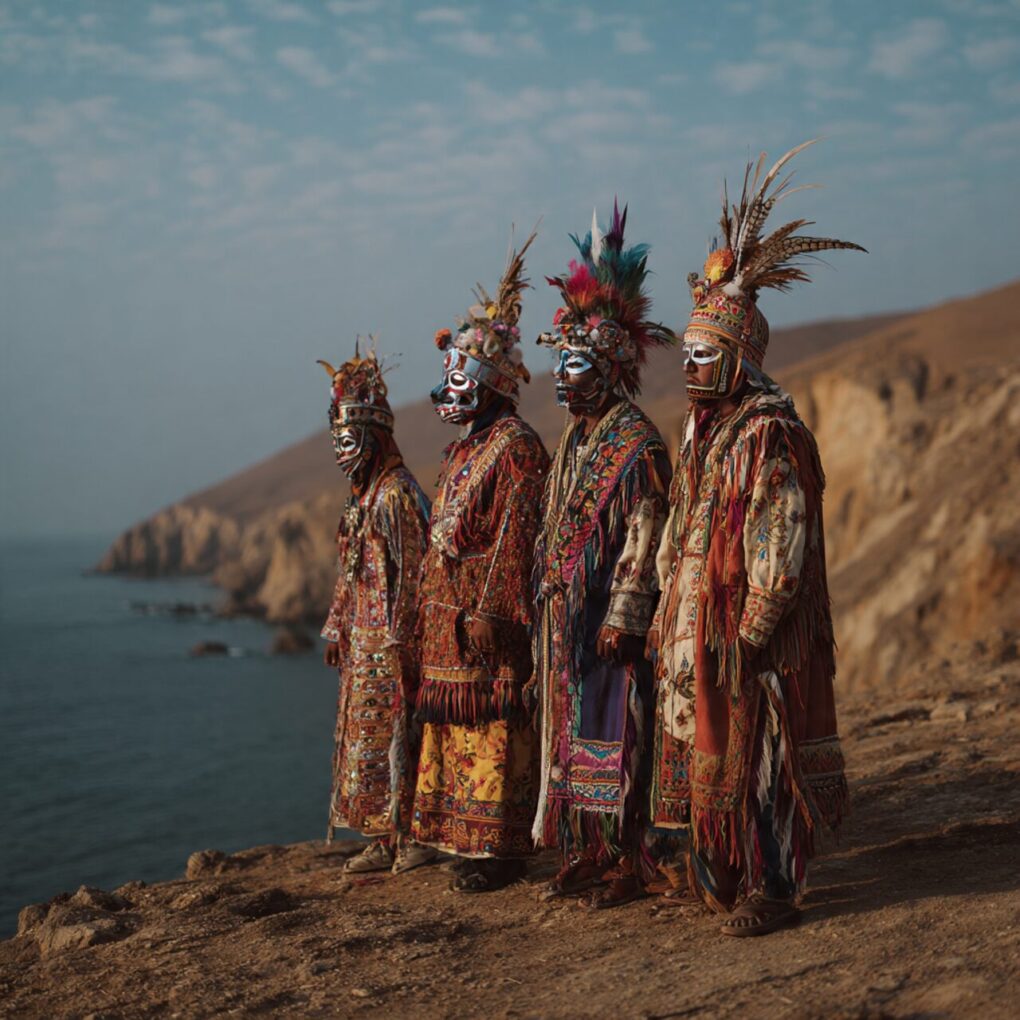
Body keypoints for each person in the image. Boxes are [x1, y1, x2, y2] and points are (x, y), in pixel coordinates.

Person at [647, 140, 860, 935]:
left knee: (765, 758)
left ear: (740, 357)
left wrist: (758, 619)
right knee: (711, 748)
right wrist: (674, 596)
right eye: (687, 352)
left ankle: (775, 888)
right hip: (702, 621)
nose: (692, 365)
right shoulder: (702, 432)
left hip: (751, 632)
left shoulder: (769, 435)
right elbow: (683, 520)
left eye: (707, 354)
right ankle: (719, 871)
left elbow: (784, 529)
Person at [531, 203, 673, 908]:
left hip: (611, 627)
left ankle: (626, 855)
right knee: (575, 729)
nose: (561, 377)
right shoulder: (575, 442)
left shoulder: (637, 444)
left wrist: (625, 613)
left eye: (576, 363)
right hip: (568, 621)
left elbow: (644, 533)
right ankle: (586, 846)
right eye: (558, 363)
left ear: (612, 367)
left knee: (618, 729)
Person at [409, 230, 550, 892]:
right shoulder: (462, 450)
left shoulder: (517, 446)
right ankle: (453, 833)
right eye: (448, 377)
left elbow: (518, 532)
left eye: (462, 377)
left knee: (492, 731)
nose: (451, 388)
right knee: (451, 731)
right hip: (449, 619)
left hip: (485, 621)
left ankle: (496, 847)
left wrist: (493, 607)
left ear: (493, 381)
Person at [318, 343, 433, 875]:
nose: (342, 452)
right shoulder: (360, 498)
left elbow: (414, 571)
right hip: (364, 640)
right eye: (336, 440)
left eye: (350, 440)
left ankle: (412, 834)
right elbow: (350, 572)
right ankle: (381, 835)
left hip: (393, 640)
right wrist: (340, 628)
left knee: (401, 733)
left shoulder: (397, 495)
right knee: (367, 741)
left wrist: (402, 637)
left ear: (374, 438)